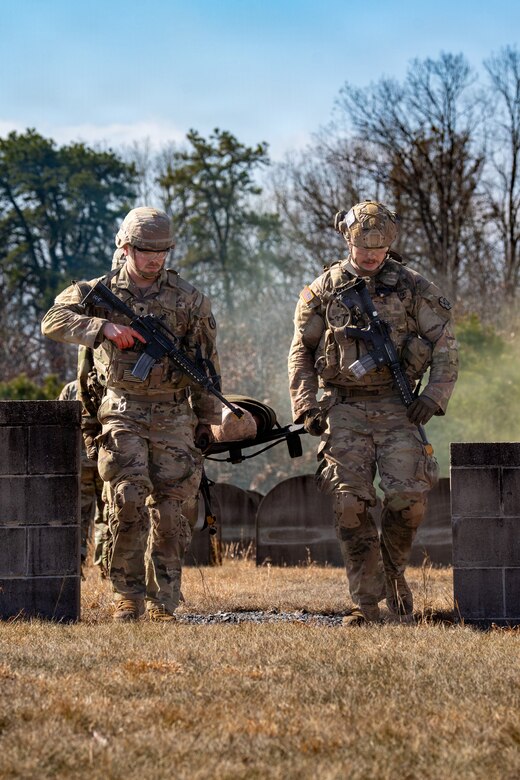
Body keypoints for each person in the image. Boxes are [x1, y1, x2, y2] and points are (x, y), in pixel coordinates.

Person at [42, 207, 222, 622]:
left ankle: (165, 600)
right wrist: (101, 328)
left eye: (162, 251)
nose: (155, 259)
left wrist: (210, 418)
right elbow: (51, 321)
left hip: (175, 413)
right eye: (145, 250)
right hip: (122, 408)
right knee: (127, 499)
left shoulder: (190, 299)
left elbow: (207, 366)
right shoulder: (97, 292)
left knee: (175, 510)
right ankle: (129, 595)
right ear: (125, 247)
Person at [288, 201, 458, 625]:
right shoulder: (324, 289)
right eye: (364, 246)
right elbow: (301, 353)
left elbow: (446, 346)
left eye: (379, 248)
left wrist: (433, 397)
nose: (370, 255)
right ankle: (366, 602)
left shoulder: (413, 287)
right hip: (344, 407)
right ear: (348, 239)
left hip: (400, 408)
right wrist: (306, 404)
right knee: (349, 503)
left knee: (410, 500)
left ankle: (393, 571)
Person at [58, 378, 107, 575]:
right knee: (107, 513)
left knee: (79, 514)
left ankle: (75, 562)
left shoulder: (71, 388)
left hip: (80, 461)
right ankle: (106, 562)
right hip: (106, 460)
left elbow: (60, 422)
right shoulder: (109, 386)